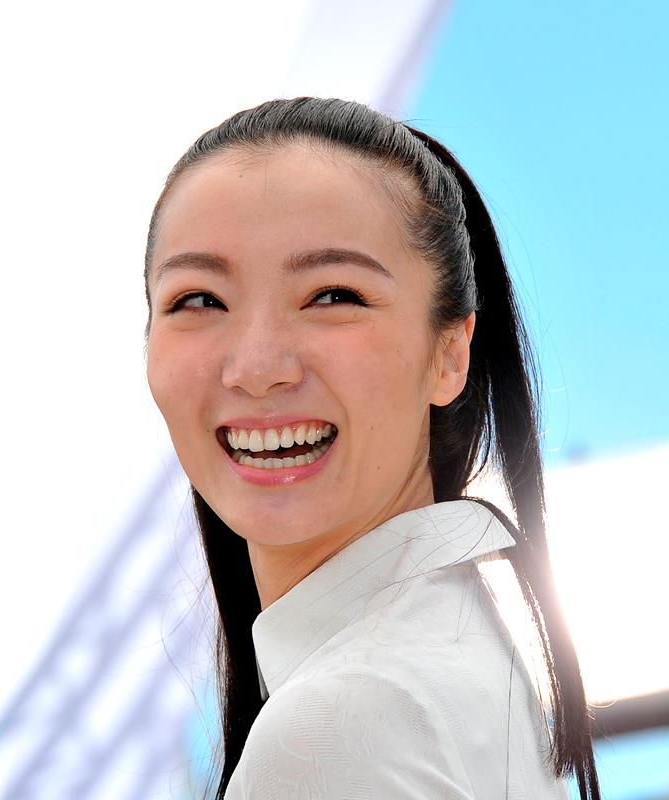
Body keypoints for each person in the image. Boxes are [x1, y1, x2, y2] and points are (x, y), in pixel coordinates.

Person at [143, 97, 601, 799]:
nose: (257, 368)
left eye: (333, 295)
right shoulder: (456, 648)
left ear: (450, 353)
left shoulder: (337, 722)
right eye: (199, 300)